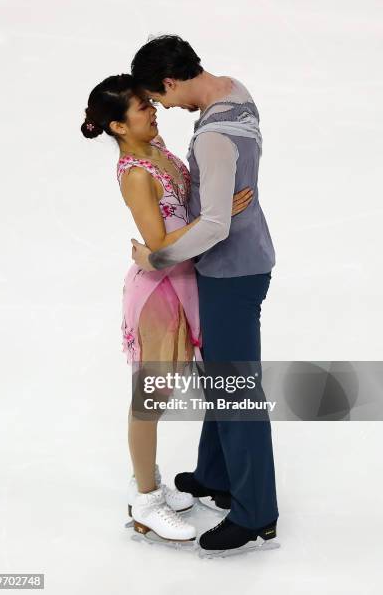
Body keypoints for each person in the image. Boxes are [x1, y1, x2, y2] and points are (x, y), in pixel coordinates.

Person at [80, 74, 253, 544]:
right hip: (160, 291)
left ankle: (149, 482)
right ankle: (146, 500)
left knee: (173, 387)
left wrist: (214, 208)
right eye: (141, 108)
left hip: (186, 281)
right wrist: (216, 219)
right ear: (117, 126)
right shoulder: (136, 172)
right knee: (151, 399)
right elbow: (156, 243)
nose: (153, 110)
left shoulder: (156, 145)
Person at [130, 35, 279, 553]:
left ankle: (256, 511)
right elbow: (225, 200)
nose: (164, 107)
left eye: (160, 97)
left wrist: (157, 257)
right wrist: (220, 197)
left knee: (237, 391)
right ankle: (216, 476)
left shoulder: (213, 136)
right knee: (221, 375)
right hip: (246, 258)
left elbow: (214, 226)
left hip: (230, 272)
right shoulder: (235, 90)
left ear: (170, 81)